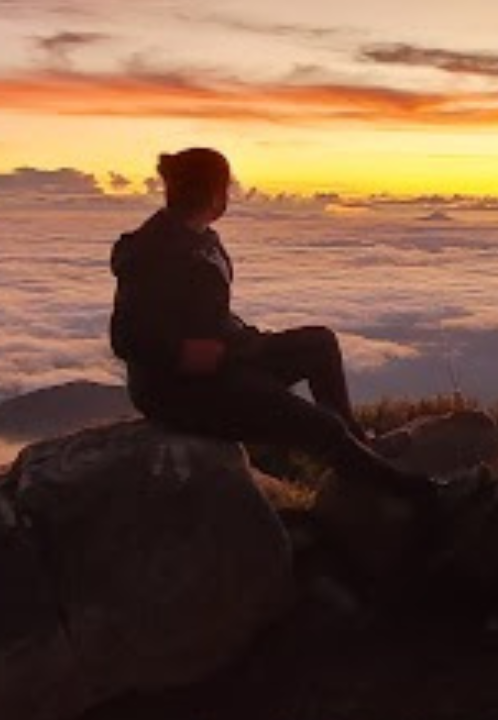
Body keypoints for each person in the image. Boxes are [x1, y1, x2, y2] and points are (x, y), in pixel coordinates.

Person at [109, 147, 432, 503]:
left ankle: (361, 446)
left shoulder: (199, 237)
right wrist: (186, 354)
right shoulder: (153, 252)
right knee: (320, 426)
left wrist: (243, 341)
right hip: (180, 391)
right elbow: (127, 338)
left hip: (225, 362)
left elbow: (207, 316)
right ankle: (417, 497)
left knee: (319, 344)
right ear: (213, 193)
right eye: (225, 187)